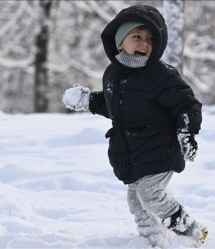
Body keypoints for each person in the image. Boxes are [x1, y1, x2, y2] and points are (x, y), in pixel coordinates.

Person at [62, 4, 207, 248]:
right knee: (136, 201)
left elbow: (186, 104)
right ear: (120, 41)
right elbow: (115, 107)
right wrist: (89, 100)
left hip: (160, 149)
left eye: (150, 39)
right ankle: (152, 241)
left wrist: (186, 131)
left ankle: (192, 231)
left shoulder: (161, 75)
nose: (144, 43)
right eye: (137, 36)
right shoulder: (113, 74)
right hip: (132, 152)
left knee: (150, 195)